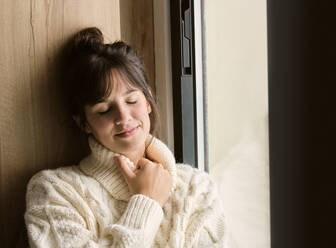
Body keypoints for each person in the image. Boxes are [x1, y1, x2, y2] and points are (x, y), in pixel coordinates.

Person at [24, 27, 227, 248]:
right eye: (103, 110)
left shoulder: (197, 188)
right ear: (83, 122)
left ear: (148, 100)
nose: (123, 116)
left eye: (132, 101)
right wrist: (147, 201)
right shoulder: (54, 191)